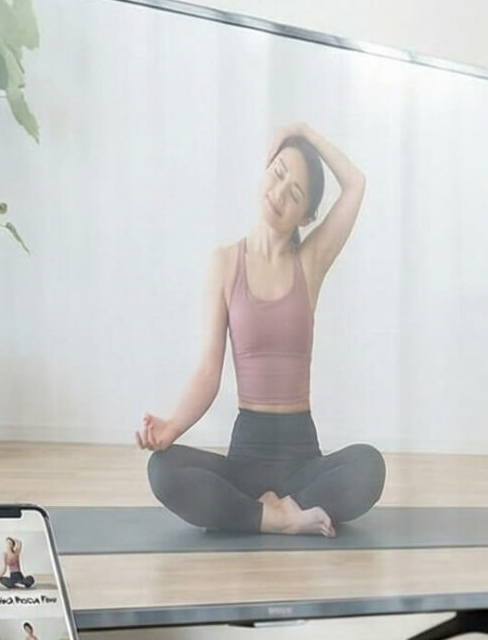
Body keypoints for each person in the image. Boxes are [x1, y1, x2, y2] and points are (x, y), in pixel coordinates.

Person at [138, 121, 386, 537]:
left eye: (295, 194)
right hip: (245, 460)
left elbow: (356, 184)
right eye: (278, 174)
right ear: (265, 169)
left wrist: (304, 132)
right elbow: (207, 373)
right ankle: (281, 518)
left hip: (303, 460)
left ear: (306, 217)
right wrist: (171, 428)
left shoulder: (310, 264)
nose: (279, 192)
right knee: (163, 470)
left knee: (370, 466)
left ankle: (265, 513)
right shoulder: (224, 263)